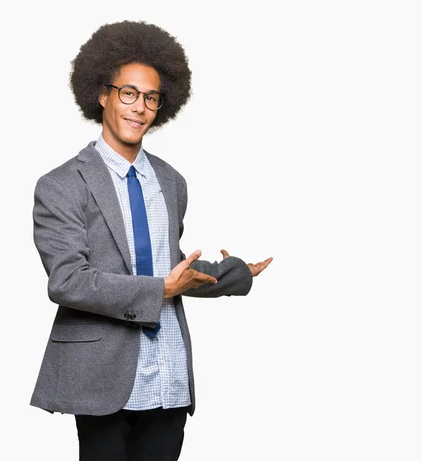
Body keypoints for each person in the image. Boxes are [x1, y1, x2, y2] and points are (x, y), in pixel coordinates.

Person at [30, 20, 273, 461]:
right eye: (128, 92)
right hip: (103, 376)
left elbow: (170, 265)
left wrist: (235, 273)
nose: (139, 106)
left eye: (151, 97)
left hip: (169, 370)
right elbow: (67, 280)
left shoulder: (170, 180)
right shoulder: (62, 184)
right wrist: (160, 290)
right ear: (102, 94)